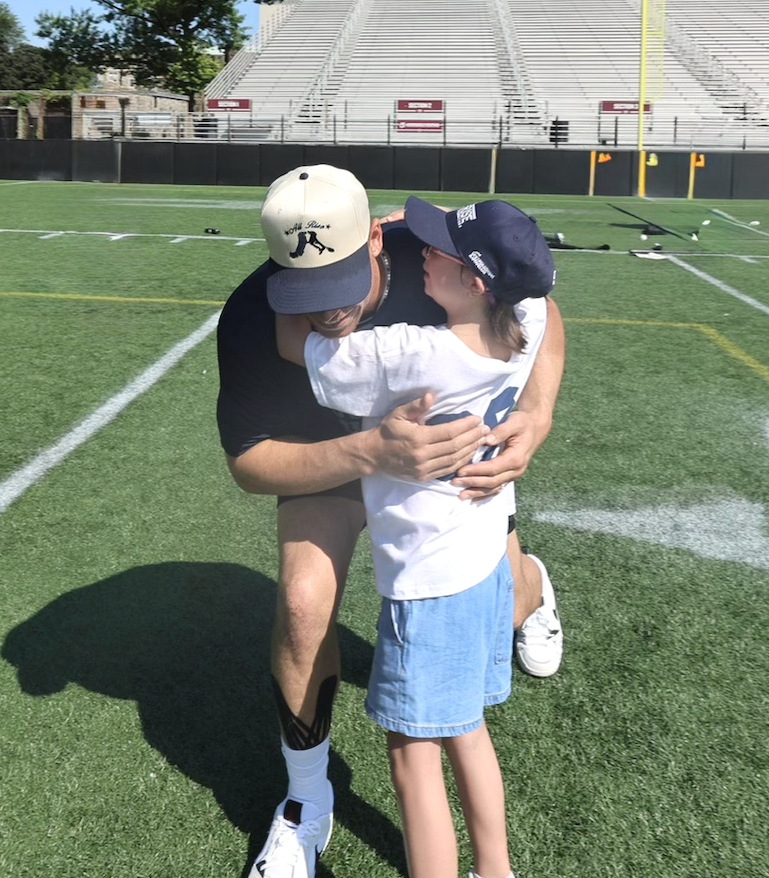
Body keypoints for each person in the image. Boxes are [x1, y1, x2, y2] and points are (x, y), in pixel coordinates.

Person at [215, 165, 565, 878]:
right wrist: (367, 449)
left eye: (340, 286)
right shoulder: (256, 311)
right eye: (303, 293)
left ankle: (532, 586)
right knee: (302, 600)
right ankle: (307, 804)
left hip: (448, 497)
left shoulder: (435, 253)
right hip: (329, 457)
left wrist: (537, 413)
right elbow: (250, 465)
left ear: (378, 238)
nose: (326, 313)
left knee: (501, 610)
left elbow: (544, 310)